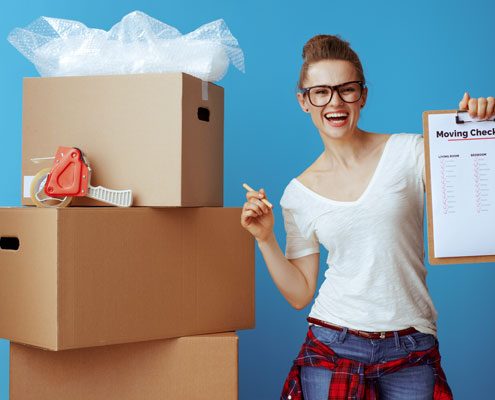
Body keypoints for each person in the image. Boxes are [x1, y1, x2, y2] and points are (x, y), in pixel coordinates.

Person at [240, 34, 494, 399]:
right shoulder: (298, 194)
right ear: (304, 101)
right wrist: (265, 239)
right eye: (321, 92)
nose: (335, 102)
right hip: (332, 343)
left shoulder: (410, 152)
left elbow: (478, 190)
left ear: (363, 95)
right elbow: (300, 293)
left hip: (411, 345)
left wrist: (482, 130)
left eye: (347, 89)